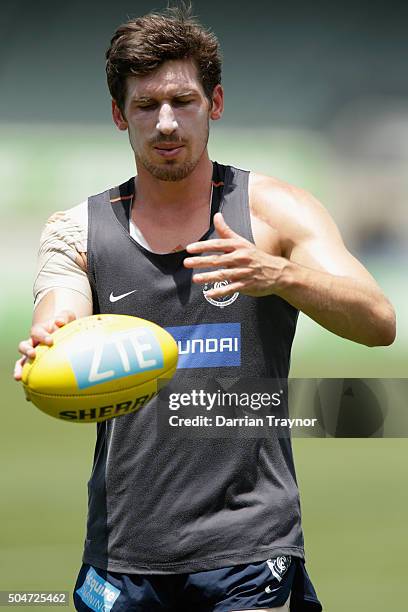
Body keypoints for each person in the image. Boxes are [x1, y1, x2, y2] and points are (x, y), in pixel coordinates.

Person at [14, 4, 395, 611]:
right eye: (145, 106)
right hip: (121, 555)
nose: (166, 124)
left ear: (214, 103)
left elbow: (379, 322)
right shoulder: (76, 230)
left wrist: (280, 275)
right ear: (120, 115)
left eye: (183, 102)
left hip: (251, 551)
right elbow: (58, 310)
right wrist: (51, 339)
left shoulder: (274, 210)